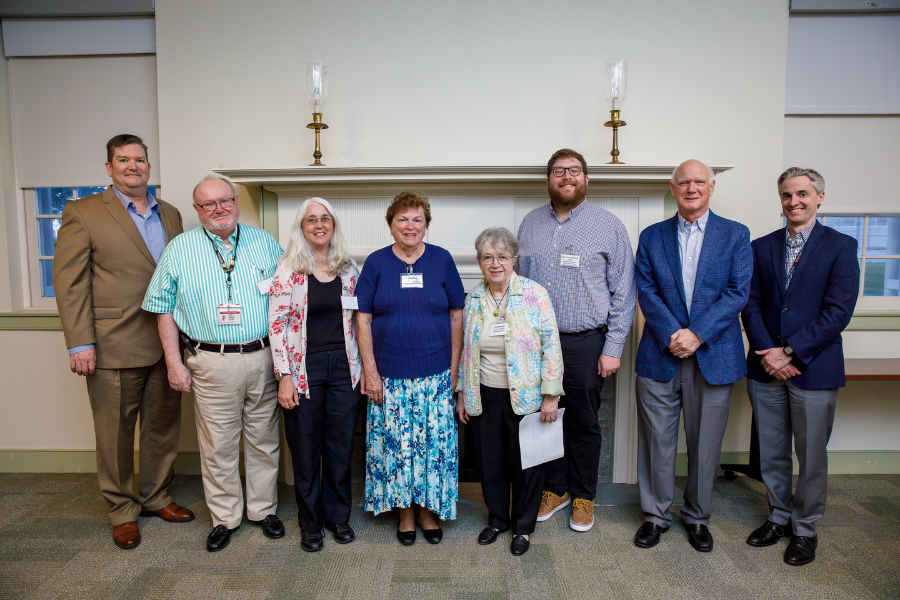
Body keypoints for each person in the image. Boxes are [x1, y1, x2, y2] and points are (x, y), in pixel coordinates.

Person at [53, 134, 192, 550]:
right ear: (109, 168)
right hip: (112, 342)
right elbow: (70, 283)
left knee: (163, 427)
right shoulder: (84, 212)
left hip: (166, 342)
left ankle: (155, 496)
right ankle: (121, 510)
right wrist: (80, 343)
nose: (133, 166)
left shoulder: (171, 213)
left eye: (140, 160)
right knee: (115, 433)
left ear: (149, 166)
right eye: (123, 160)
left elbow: (180, 277)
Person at [142, 173, 285, 552]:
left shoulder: (264, 243)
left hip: (264, 355)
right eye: (209, 204)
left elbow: (286, 302)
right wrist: (174, 363)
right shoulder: (179, 250)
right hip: (211, 360)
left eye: (225, 201)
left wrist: (285, 361)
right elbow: (163, 311)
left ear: (236, 201)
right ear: (197, 209)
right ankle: (225, 517)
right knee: (218, 444)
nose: (219, 209)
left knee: (265, 440)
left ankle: (263, 510)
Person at [632, 159, 751, 552]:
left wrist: (697, 334)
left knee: (706, 446)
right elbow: (646, 291)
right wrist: (673, 334)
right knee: (656, 442)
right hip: (659, 354)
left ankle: (697, 518)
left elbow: (737, 293)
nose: (692, 188)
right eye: (684, 182)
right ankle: (655, 516)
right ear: (672, 188)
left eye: (700, 181)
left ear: (712, 187)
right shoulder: (651, 236)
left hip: (714, 354)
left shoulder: (735, 235)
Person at [742, 167, 859, 566]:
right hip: (765, 369)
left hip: (814, 369)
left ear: (819, 198)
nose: (794, 201)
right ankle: (778, 517)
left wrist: (789, 353)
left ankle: (805, 529)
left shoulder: (841, 246)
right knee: (772, 453)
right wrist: (769, 354)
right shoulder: (761, 247)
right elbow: (750, 305)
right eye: (787, 195)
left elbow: (838, 311)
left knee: (810, 457)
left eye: (803, 194)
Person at [516, 148, 636, 532]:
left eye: (574, 171)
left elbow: (625, 291)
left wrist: (613, 348)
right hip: (535, 346)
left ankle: (584, 494)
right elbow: (517, 283)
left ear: (586, 179)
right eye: (558, 171)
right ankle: (556, 488)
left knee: (584, 422)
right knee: (544, 418)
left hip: (586, 343)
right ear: (548, 180)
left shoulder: (609, 225)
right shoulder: (530, 224)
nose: (566, 176)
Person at [355, 191, 465, 546]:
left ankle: (427, 509)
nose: (410, 226)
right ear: (390, 225)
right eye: (402, 219)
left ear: (426, 225)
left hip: (435, 372)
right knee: (396, 447)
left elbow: (456, 315)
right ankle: (404, 511)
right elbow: (363, 318)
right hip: (389, 375)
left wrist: (454, 369)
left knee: (433, 448)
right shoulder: (375, 263)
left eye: (417, 219)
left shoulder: (442, 260)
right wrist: (369, 371)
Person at [457, 227, 563, 556]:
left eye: (502, 257)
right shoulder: (473, 298)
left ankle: (523, 527)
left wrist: (550, 394)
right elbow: (465, 351)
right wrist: (462, 392)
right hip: (484, 395)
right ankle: (498, 519)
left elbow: (552, 346)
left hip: (528, 397)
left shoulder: (534, 294)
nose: (495, 263)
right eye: (488, 257)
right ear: (479, 262)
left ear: (513, 260)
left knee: (527, 465)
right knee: (491, 463)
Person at [268, 197, 364, 553]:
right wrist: (284, 375)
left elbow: (358, 321)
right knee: (306, 450)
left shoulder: (348, 269)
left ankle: (337, 517)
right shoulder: (289, 268)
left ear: (333, 225)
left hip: (344, 368)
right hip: (302, 368)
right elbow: (276, 325)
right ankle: (310, 524)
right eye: (312, 220)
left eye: (325, 218)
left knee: (339, 448)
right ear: (302, 227)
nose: (319, 224)